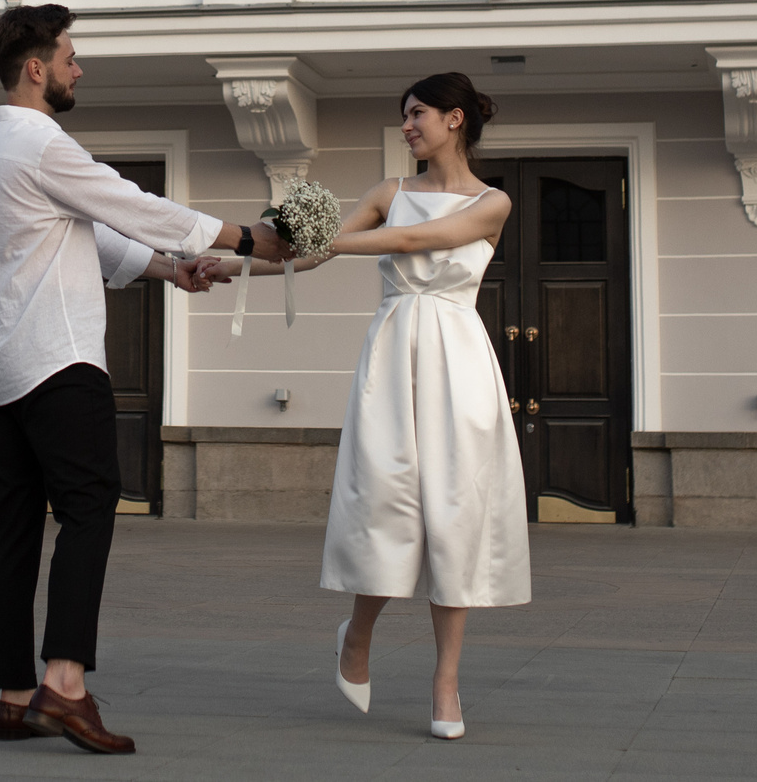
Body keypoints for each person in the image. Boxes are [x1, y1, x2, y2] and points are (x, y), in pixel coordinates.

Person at [0, 3, 292, 755]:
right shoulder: (40, 141)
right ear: (36, 67)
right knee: (89, 503)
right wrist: (244, 237)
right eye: (70, 55)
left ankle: (14, 695)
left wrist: (172, 269)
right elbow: (129, 203)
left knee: (15, 517)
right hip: (53, 355)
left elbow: (86, 230)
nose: (80, 67)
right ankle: (65, 685)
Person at [202, 71, 529, 739]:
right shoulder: (389, 191)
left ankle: (446, 683)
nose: (408, 125)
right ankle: (358, 632)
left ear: (455, 118)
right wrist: (227, 263)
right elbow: (307, 260)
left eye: (418, 113)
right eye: (405, 115)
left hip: (459, 360)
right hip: (392, 355)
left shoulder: (493, 201)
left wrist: (324, 236)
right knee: (386, 502)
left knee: (456, 517)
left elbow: (415, 242)